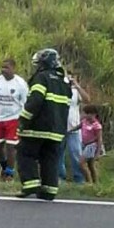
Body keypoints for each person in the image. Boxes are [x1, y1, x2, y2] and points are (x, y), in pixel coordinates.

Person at [16, 48, 71, 200]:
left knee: (25, 153)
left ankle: (30, 184)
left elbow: (35, 100)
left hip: (37, 127)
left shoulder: (41, 78)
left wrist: (24, 119)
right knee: (50, 159)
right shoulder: (63, 81)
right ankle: (49, 190)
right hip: (56, 130)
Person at [0, 58, 28, 182]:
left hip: (14, 118)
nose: (3, 70)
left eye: (7, 67)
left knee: (11, 146)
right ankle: (4, 168)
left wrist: (23, 121)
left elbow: (26, 103)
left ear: (13, 68)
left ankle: (9, 173)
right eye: (2, 67)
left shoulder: (20, 83)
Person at [59, 71, 90, 184]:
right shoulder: (59, 89)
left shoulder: (76, 92)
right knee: (58, 154)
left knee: (76, 154)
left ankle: (79, 179)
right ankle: (60, 178)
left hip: (74, 128)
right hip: (59, 127)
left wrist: (77, 86)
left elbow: (87, 100)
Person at [79, 104, 105, 184]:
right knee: (91, 165)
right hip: (85, 145)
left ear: (94, 114)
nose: (85, 115)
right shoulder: (84, 122)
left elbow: (99, 139)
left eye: (88, 113)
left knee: (82, 163)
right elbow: (78, 127)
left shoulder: (97, 125)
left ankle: (89, 181)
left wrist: (97, 152)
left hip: (92, 145)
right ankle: (95, 183)